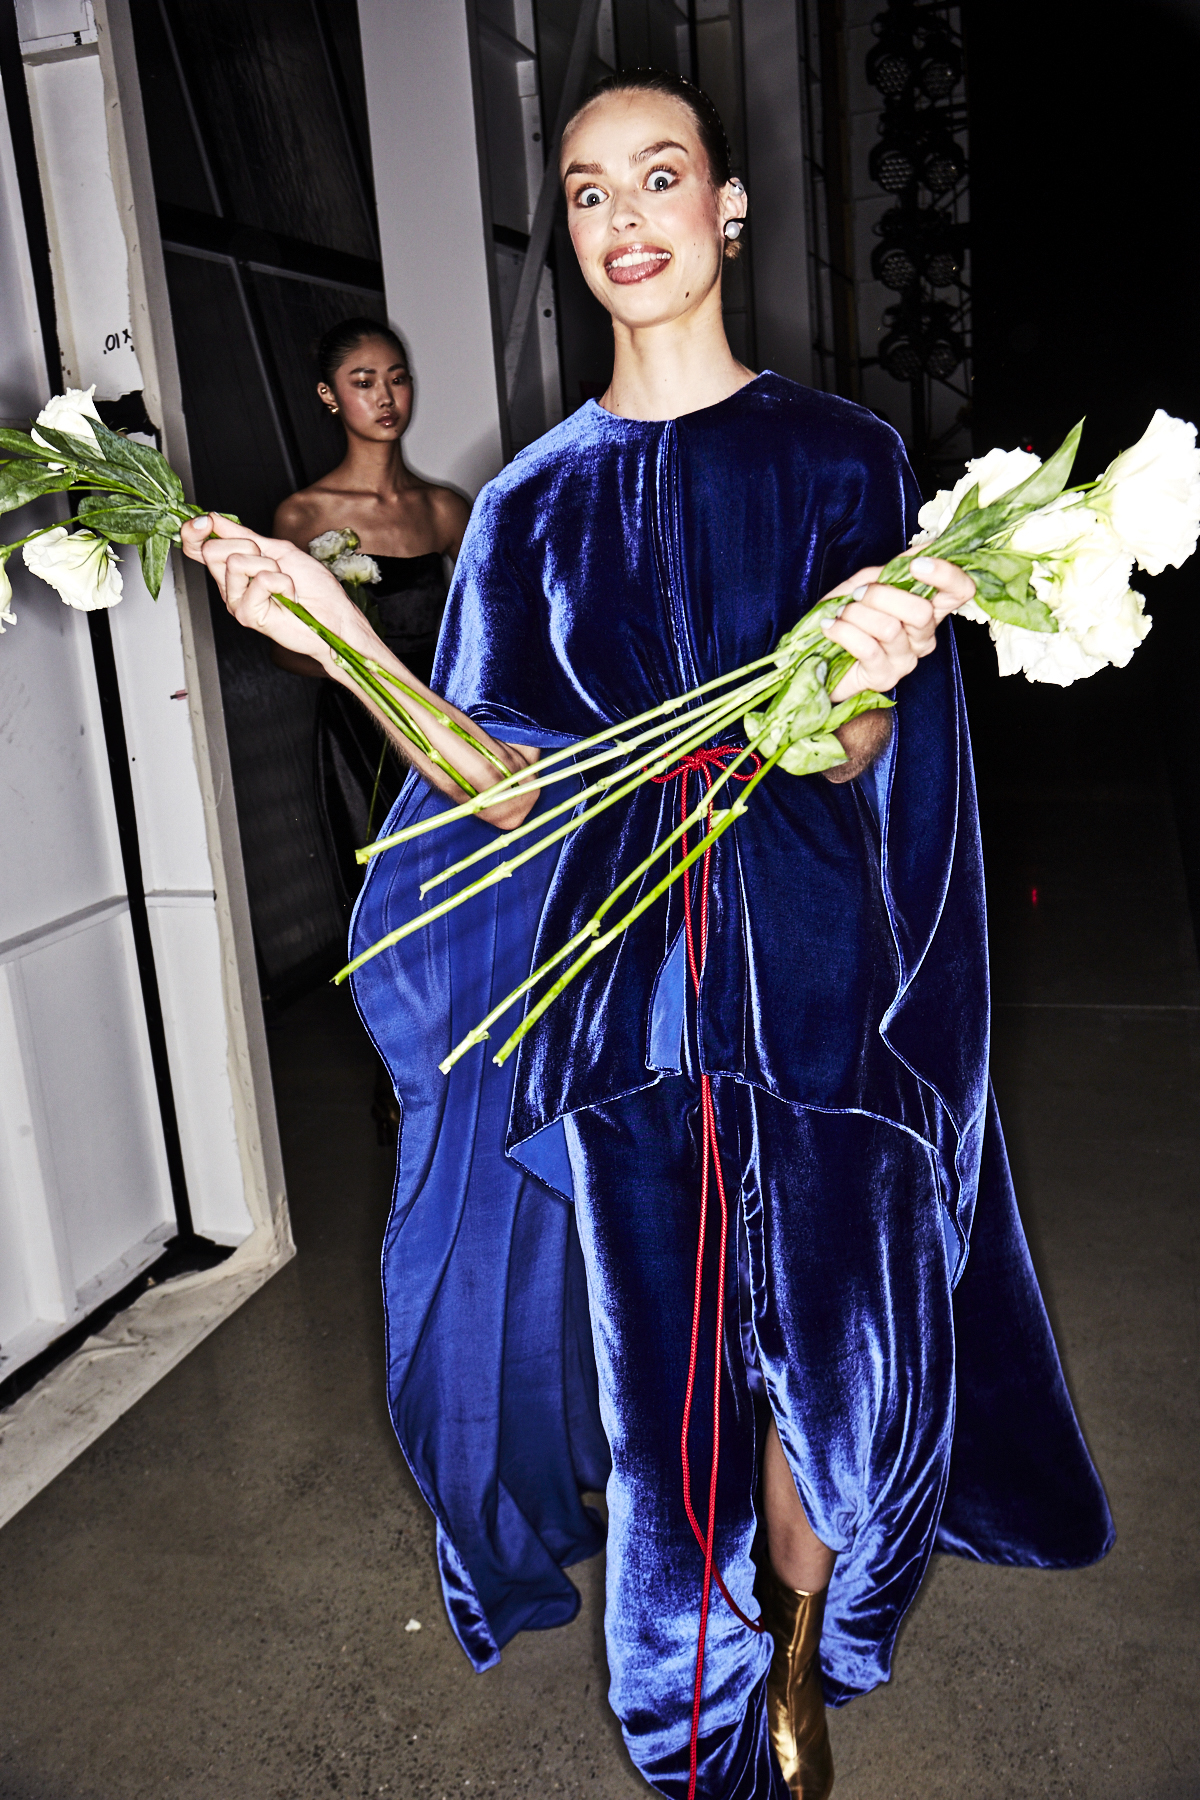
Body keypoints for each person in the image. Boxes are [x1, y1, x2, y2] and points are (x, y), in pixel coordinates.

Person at [183, 69, 1113, 1800]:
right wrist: (338, 646)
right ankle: (705, 1730)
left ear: (728, 209)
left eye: (658, 178)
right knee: (670, 1381)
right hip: (619, 996)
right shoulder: (527, 505)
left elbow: (849, 753)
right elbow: (499, 786)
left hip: (817, 960)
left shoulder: (848, 456)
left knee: (828, 1355)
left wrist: (846, 677)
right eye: (588, 192)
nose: (622, 220)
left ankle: (805, 1629)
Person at [272, 319, 469, 914]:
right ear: (329, 395)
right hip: (359, 725)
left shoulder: (445, 507)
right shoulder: (303, 515)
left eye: (398, 379)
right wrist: (356, 658)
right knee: (384, 894)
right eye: (363, 382)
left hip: (444, 715)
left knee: (464, 885)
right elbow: (282, 651)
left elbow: (491, 622)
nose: (385, 398)